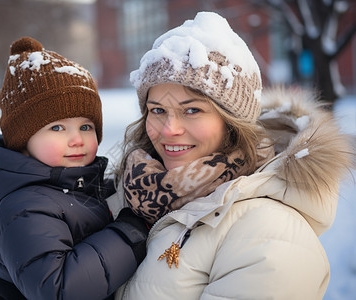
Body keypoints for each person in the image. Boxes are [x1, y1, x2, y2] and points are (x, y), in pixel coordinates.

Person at [110, 12, 352, 299]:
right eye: (157, 110)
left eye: (192, 110)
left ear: (232, 123)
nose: (169, 129)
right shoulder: (127, 191)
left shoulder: (269, 235)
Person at [0, 37, 148, 300]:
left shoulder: (80, 186)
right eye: (57, 128)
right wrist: (130, 232)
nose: (76, 139)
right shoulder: (24, 208)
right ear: (23, 141)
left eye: (85, 127)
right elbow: (59, 289)